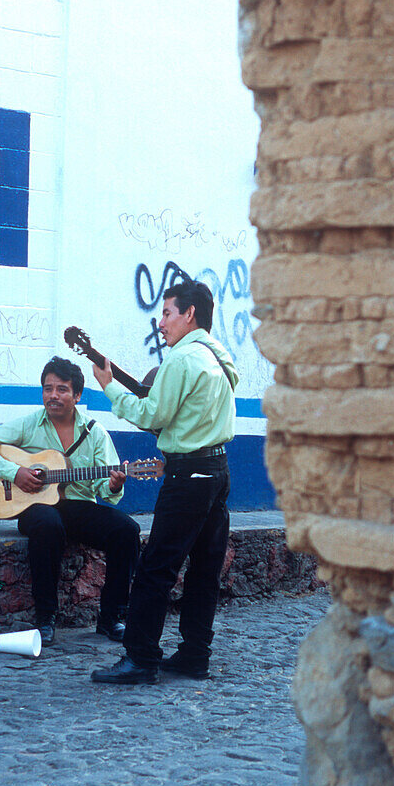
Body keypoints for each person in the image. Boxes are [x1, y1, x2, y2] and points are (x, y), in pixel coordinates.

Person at [90, 280, 238, 685]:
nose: (161, 322)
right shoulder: (219, 357)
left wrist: (108, 385)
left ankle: (140, 658)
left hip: (187, 476)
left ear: (189, 314)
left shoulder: (181, 358)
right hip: (217, 473)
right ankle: (194, 655)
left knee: (156, 568)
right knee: (205, 570)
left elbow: (152, 415)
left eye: (168, 312)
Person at [0, 356, 141, 645]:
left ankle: (112, 618)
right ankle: (45, 618)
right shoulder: (30, 424)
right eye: (48, 389)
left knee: (127, 531)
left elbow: (105, 490)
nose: (53, 396)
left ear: (77, 395)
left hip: (79, 506)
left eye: (61, 389)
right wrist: (15, 471)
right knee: (47, 523)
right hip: (34, 507)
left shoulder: (94, 433)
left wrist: (113, 483)